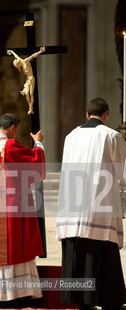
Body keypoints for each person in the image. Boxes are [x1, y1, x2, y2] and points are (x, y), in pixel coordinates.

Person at [56, 98, 126, 310]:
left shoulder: (71, 136)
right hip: (98, 204)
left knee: (78, 251)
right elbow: (123, 171)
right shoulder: (111, 136)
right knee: (102, 250)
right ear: (106, 115)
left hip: (71, 204)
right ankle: (110, 300)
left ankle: (81, 302)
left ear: (87, 115)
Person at [0, 113, 45, 308]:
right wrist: (38, 144)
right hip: (9, 209)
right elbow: (35, 166)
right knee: (13, 247)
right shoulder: (9, 146)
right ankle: (13, 295)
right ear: (12, 128)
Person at [7, 47, 45, 115]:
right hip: (27, 79)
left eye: (18, 66)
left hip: (31, 78)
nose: (19, 67)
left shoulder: (25, 61)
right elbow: (16, 56)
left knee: (31, 94)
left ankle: (31, 108)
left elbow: (33, 56)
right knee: (27, 94)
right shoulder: (20, 60)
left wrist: (40, 51)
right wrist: (12, 52)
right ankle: (30, 107)